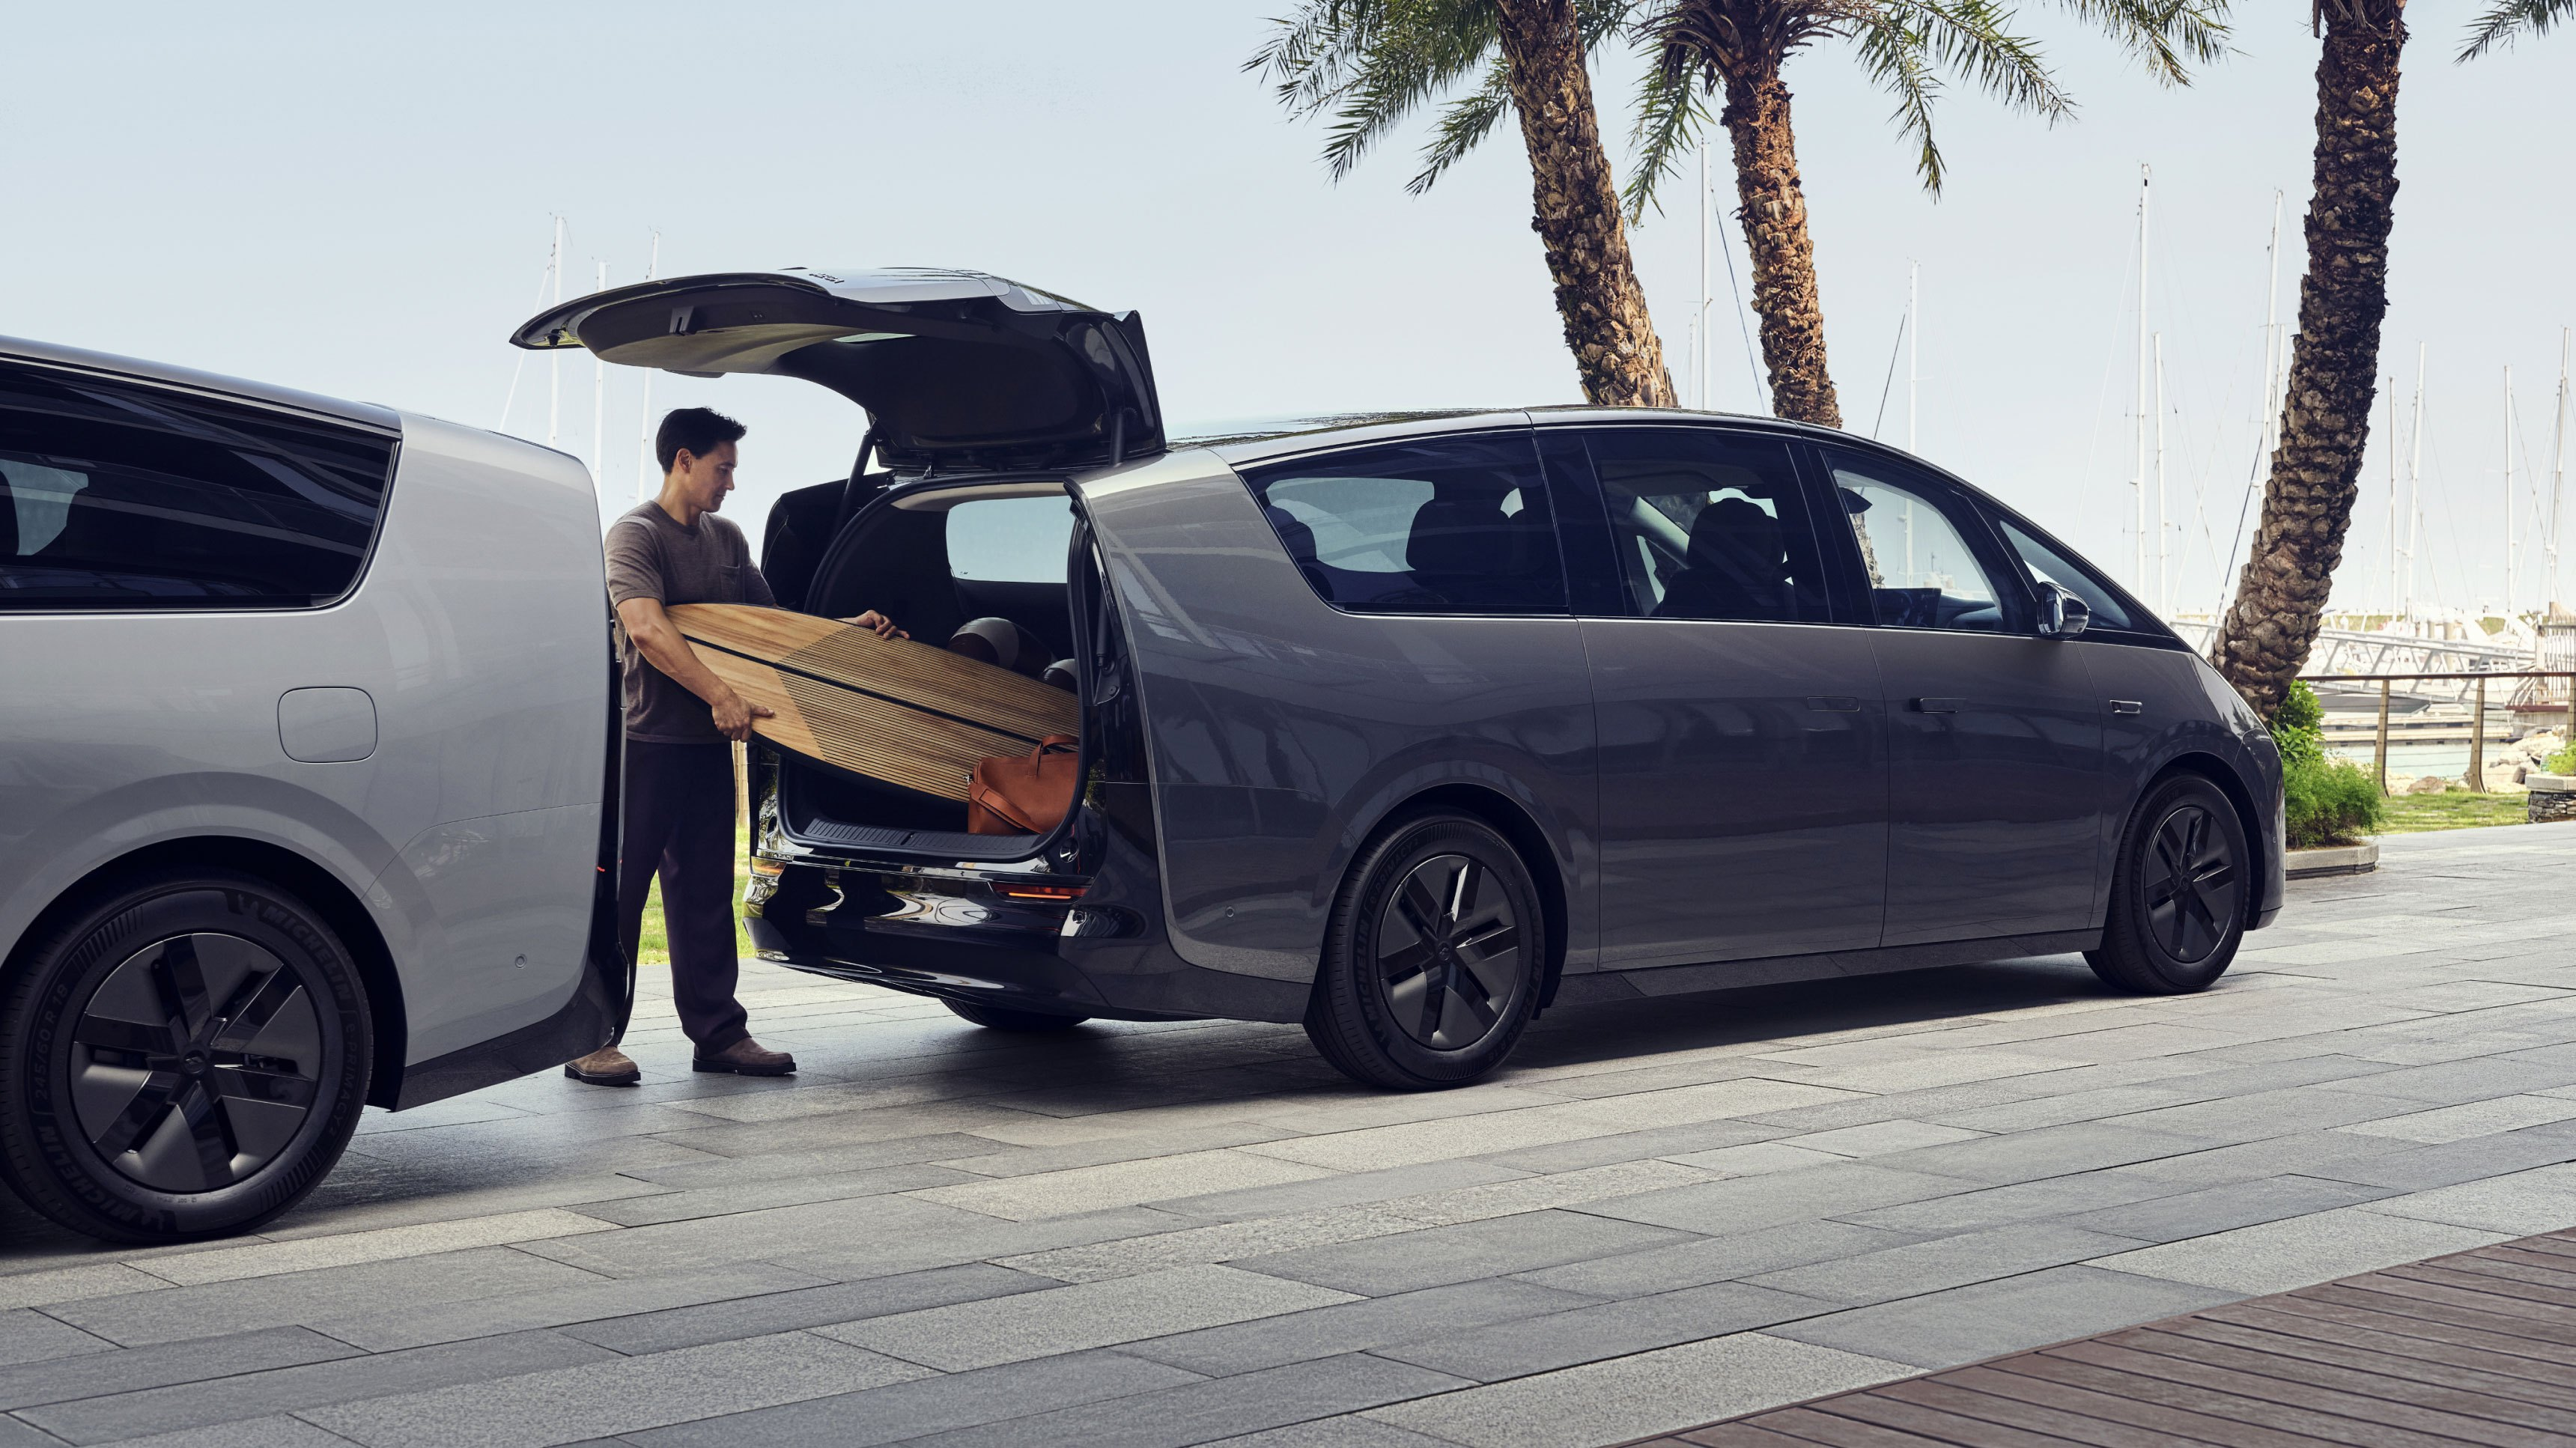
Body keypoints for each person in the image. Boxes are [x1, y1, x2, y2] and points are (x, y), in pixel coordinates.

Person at [564, 407, 899, 1086]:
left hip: (709, 752)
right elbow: (647, 629)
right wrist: (721, 694)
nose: (731, 484)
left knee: (707, 896)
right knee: (622, 898)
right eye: (723, 469)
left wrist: (847, 631)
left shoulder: (726, 538)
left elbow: (770, 629)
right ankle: (591, 1038)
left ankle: (718, 1035)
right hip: (644, 745)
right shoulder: (635, 536)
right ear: (683, 461)